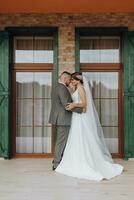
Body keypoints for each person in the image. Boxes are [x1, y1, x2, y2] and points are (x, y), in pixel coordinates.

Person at [55, 72, 123, 181]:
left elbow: (84, 104)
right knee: (76, 138)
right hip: (76, 117)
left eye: (73, 79)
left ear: (78, 80)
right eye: (71, 79)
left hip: (81, 117)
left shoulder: (81, 88)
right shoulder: (76, 88)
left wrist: (74, 104)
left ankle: (85, 160)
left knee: (82, 137)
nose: (71, 81)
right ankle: (75, 159)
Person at [49, 71, 83, 170]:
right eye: (69, 79)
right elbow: (67, 105)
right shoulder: (62, 88)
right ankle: (56, 163)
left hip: (58, 118)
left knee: (60, 140)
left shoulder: (56, 87)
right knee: (61, 141)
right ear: (65, 79)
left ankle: (58, 159)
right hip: (63, 119)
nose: (70, 81)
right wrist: (81, 111)